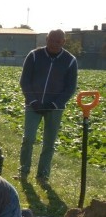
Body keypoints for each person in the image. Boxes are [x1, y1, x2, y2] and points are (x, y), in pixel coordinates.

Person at [18, 29, 78, 182]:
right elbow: (25, 81)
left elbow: (70, 88)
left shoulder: (70, 61)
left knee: (49, 143)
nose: (54, 44)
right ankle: (24, 170)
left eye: (58, 41)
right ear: (46, 39)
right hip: (33, 105)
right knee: (28, 138)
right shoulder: (34, 56)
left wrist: (54, 103)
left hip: (54, 108)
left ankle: (43, 175)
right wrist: (33, 101)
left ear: (63, 42)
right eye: (51, 40)